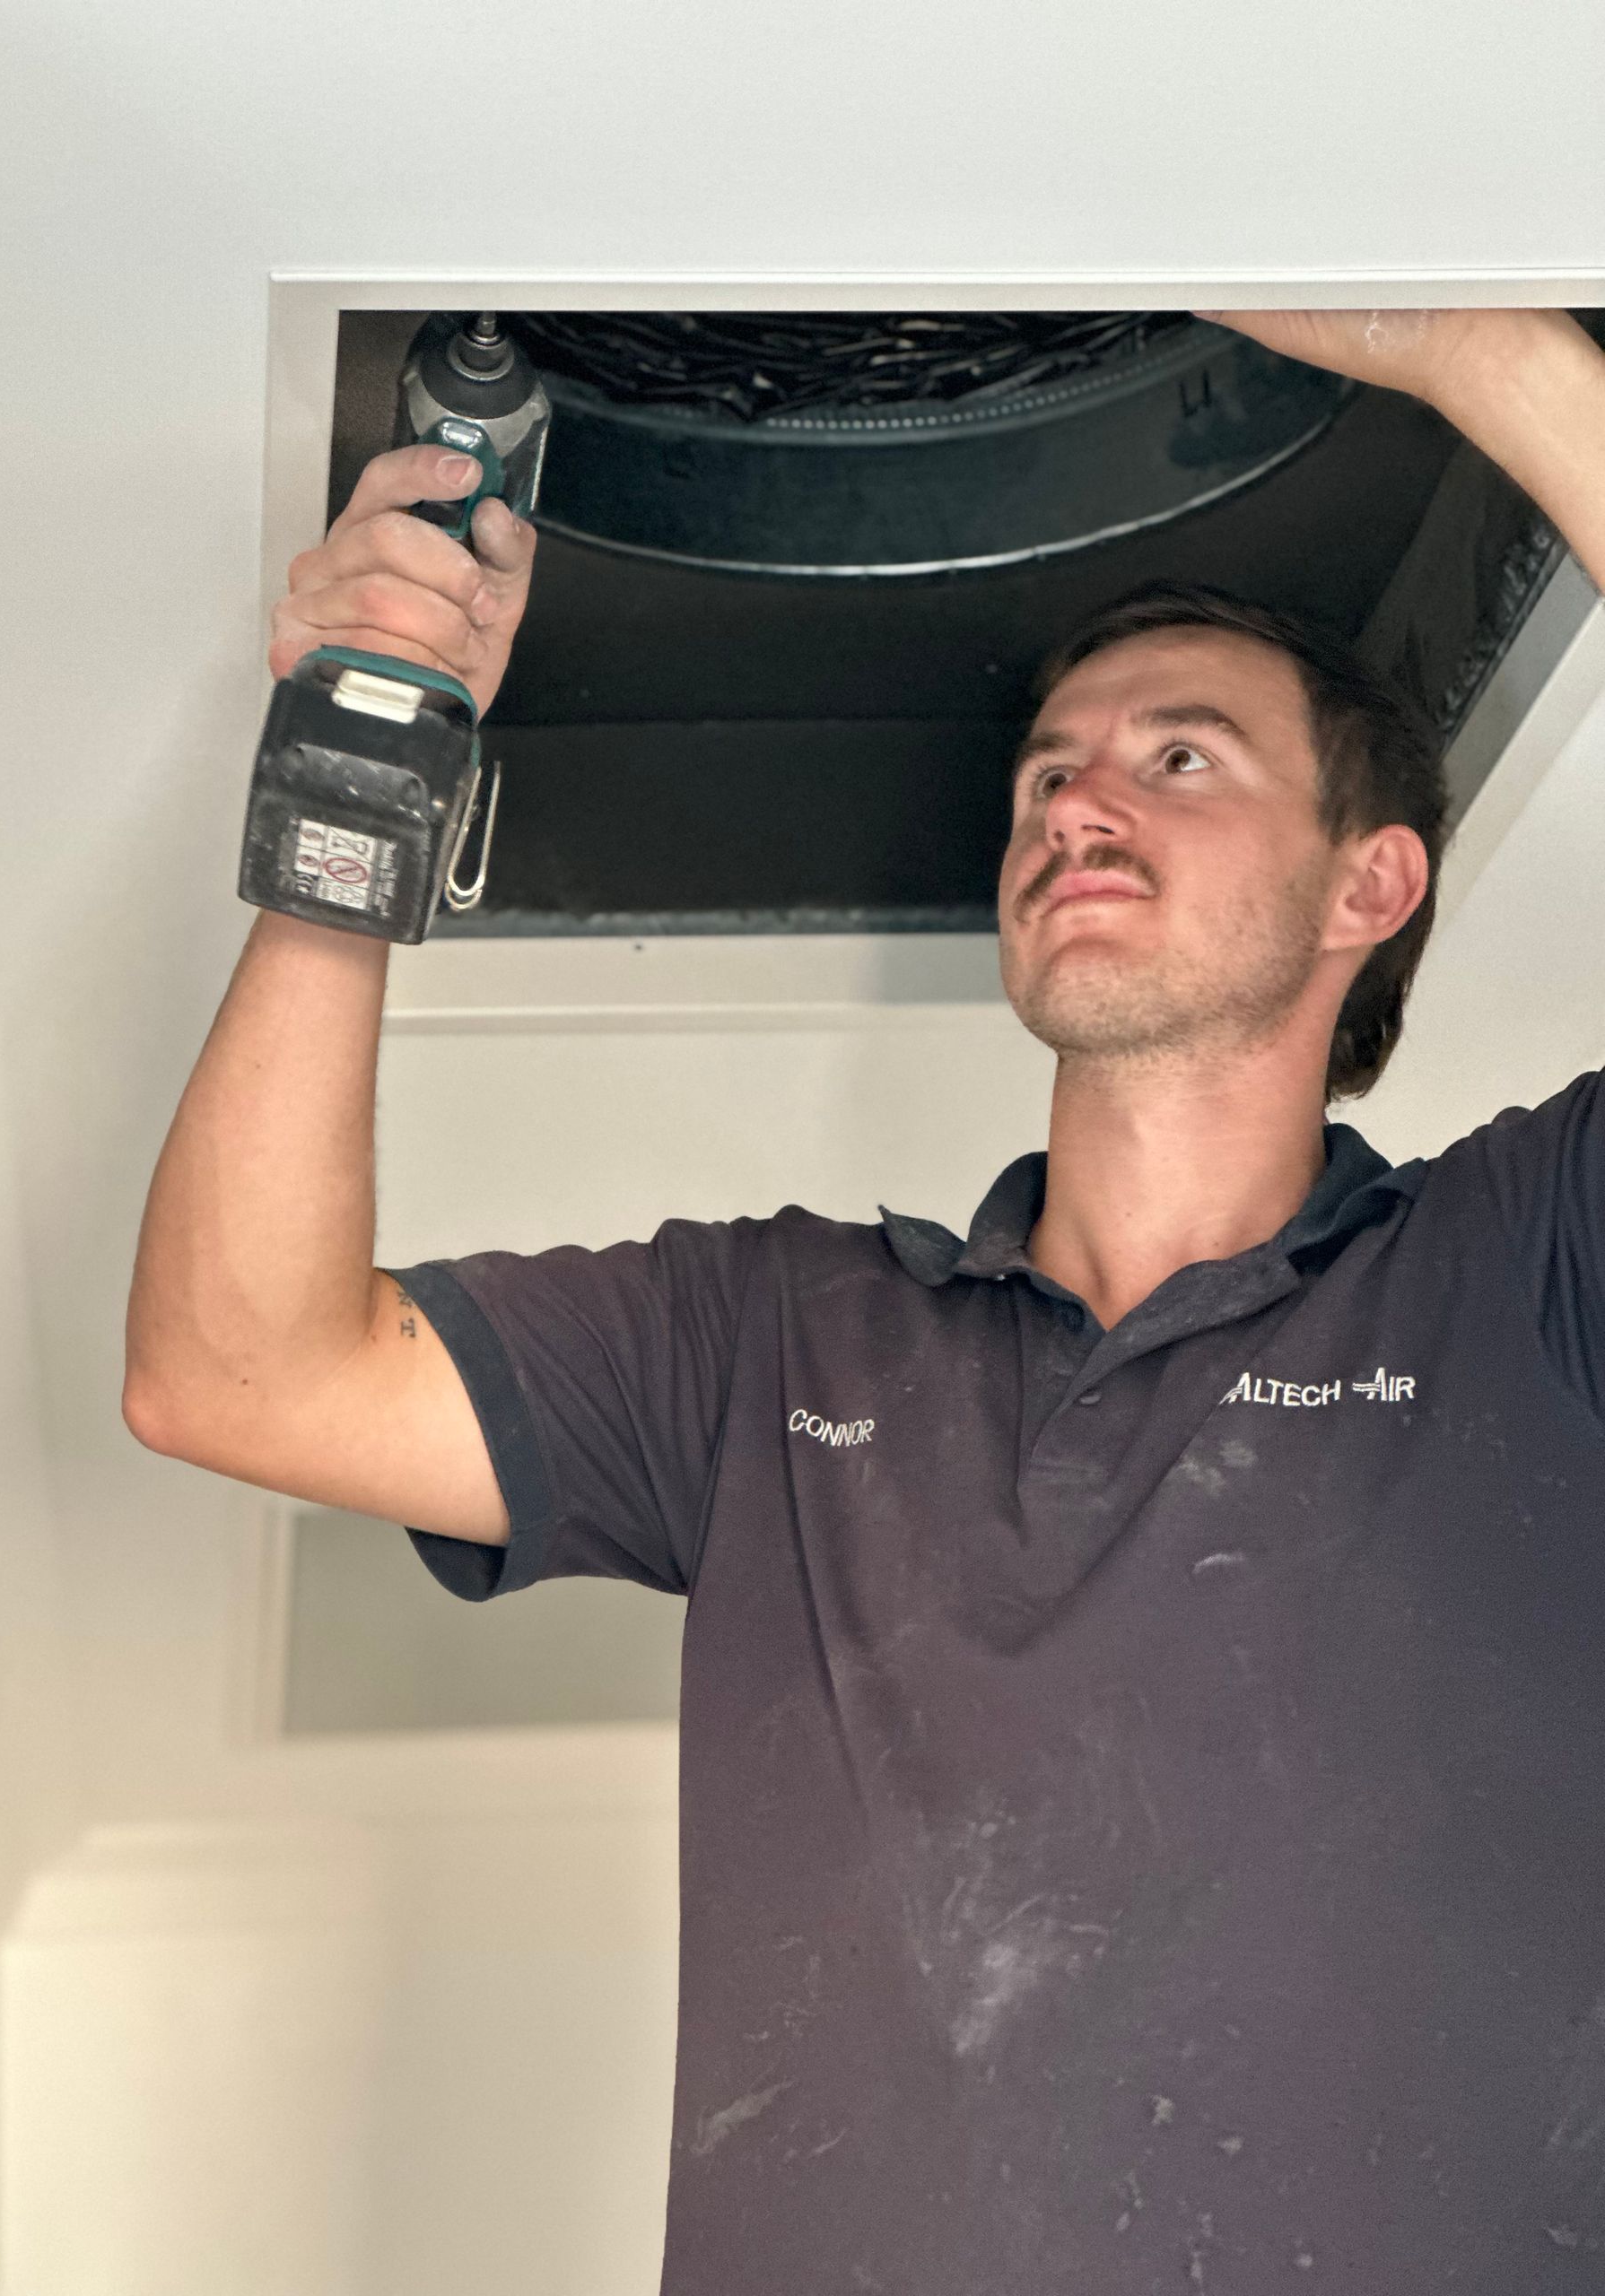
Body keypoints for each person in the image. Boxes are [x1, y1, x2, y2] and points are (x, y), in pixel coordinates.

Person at [125, 308, 1605, 2290]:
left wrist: (1482, 353)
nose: (1079, 802)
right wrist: (364, 749)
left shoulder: (1529, 1276)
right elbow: (235, 1368)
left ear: (1372, 886)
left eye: (1184, 757)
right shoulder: (784, 1340)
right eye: (1051, 769)